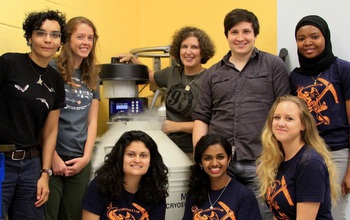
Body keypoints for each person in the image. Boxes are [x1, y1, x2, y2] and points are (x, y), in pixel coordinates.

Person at [192, 8, 290, 219]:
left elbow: (285, 114)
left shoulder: (274, 66)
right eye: (234, 32)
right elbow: (202, 118)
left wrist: (277, 155)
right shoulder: (212, 74)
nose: (240, 38)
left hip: (261, 162)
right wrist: (201, 158)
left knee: (263, 215)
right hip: (221, 164)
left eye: (246, 31)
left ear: (255, 34)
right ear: (227, 35)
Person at [0, 10, 67, 219]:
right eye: (41, 33)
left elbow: (50, 130)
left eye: (55, 35)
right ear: (30, 37)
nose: (48, 40)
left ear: (60, 41)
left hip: (31, 164)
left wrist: (45, 174)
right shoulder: (9, 63)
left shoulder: (56, 80)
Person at [117, 26, 215, 160]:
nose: (188, 52)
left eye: (194, 47)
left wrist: (176, 126)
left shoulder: (210, 79)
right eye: (184, 47)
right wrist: (134, 60)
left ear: (203, 52)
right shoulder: (172, 73)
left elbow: (212, 124)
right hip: (169, 147)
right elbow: (150, 76)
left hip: (194, 151)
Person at [290, 15, 350, 220]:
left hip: (337, 153)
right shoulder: (295, 77)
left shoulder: (343, 69)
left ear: (325, 37)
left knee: (333, 213)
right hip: (306, 155)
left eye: (314, 36)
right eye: (301, 38)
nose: (307, 43)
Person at [45, 17, 100, 220]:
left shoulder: (92, 75)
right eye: (80, 37)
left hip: (79, 160)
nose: (86, 42)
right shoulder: (51, 69)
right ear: (67, 39)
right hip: (52, 156)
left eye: (90, 38)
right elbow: (41, 118)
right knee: (48, 214)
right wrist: (52, 157)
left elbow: (92, 121)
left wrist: (86, 158)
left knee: (71, 215)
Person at [257, 95, 339, 219]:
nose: (281, 123)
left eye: (289, 119)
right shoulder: (277, 159)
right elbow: (279, 214)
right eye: (277, 117)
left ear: (303, 125)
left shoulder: (310, 163)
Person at [81, 130, 169, 220]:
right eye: (131, 154)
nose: (137, 160)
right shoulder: (100, 186)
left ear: (150, 161)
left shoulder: (156, 191)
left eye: (143, 155)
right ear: (120, 157)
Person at [183, 134, 261, 220]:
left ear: (229, 159)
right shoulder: (194, 194)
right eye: (208, 158)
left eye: (220, 157)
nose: (215, 163)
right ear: (200, 162)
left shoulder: (244, 195)